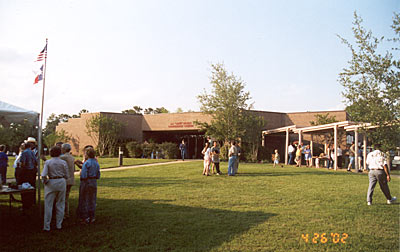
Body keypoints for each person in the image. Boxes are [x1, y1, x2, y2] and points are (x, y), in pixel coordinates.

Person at [41, 146, 69, 231]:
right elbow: (67, 175)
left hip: (52, 182)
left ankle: (47, 226)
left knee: (48, 205)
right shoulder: (63, 162)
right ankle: (59, 225)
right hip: (61, 181)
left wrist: (45, 182)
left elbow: (43, 175)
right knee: (60, 204)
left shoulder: (48, 162)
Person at [77, 147, 100, 224]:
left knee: (85, 199)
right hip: (94, 181)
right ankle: (92, 216)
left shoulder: (87, 163)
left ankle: (85, 217)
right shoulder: (96, 163)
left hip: (86, 181)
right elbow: (98, 174)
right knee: (92, 199)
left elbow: (83, 174)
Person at [19, 141, 38, 211]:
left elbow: (23, 163)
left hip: (26, 171)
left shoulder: (24, 153)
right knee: (32, 187)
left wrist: (21, 170)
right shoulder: (32, 152)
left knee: (25, 187)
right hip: (32, 171)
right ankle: (32, 202)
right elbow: (36, 162)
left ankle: (26, 204)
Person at [60, 143, 75, 219]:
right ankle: (66, 213)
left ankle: (64, 214)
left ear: (64, 149)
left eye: (62, 148)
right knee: (66, 198)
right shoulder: (72, 157)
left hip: (65, 180)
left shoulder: (63, 157)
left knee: (63, 198)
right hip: (71, 180)